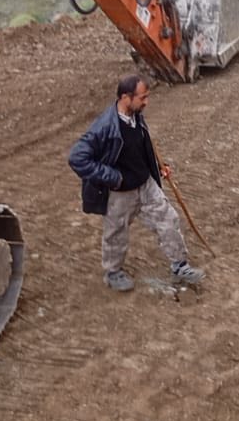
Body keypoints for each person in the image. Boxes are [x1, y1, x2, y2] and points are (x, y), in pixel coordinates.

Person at [68, 74, 205, 292]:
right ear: (125, 97)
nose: (146, 102)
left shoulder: (136, 116)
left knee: (168, 220)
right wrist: (113, 177)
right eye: (143, 97)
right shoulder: (103, 127)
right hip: (120, 193)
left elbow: (140, 147)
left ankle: (179, 267)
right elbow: (77, 158)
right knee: (116, 233)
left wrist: (158, 167)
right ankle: (113, 273)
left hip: (146, 184)